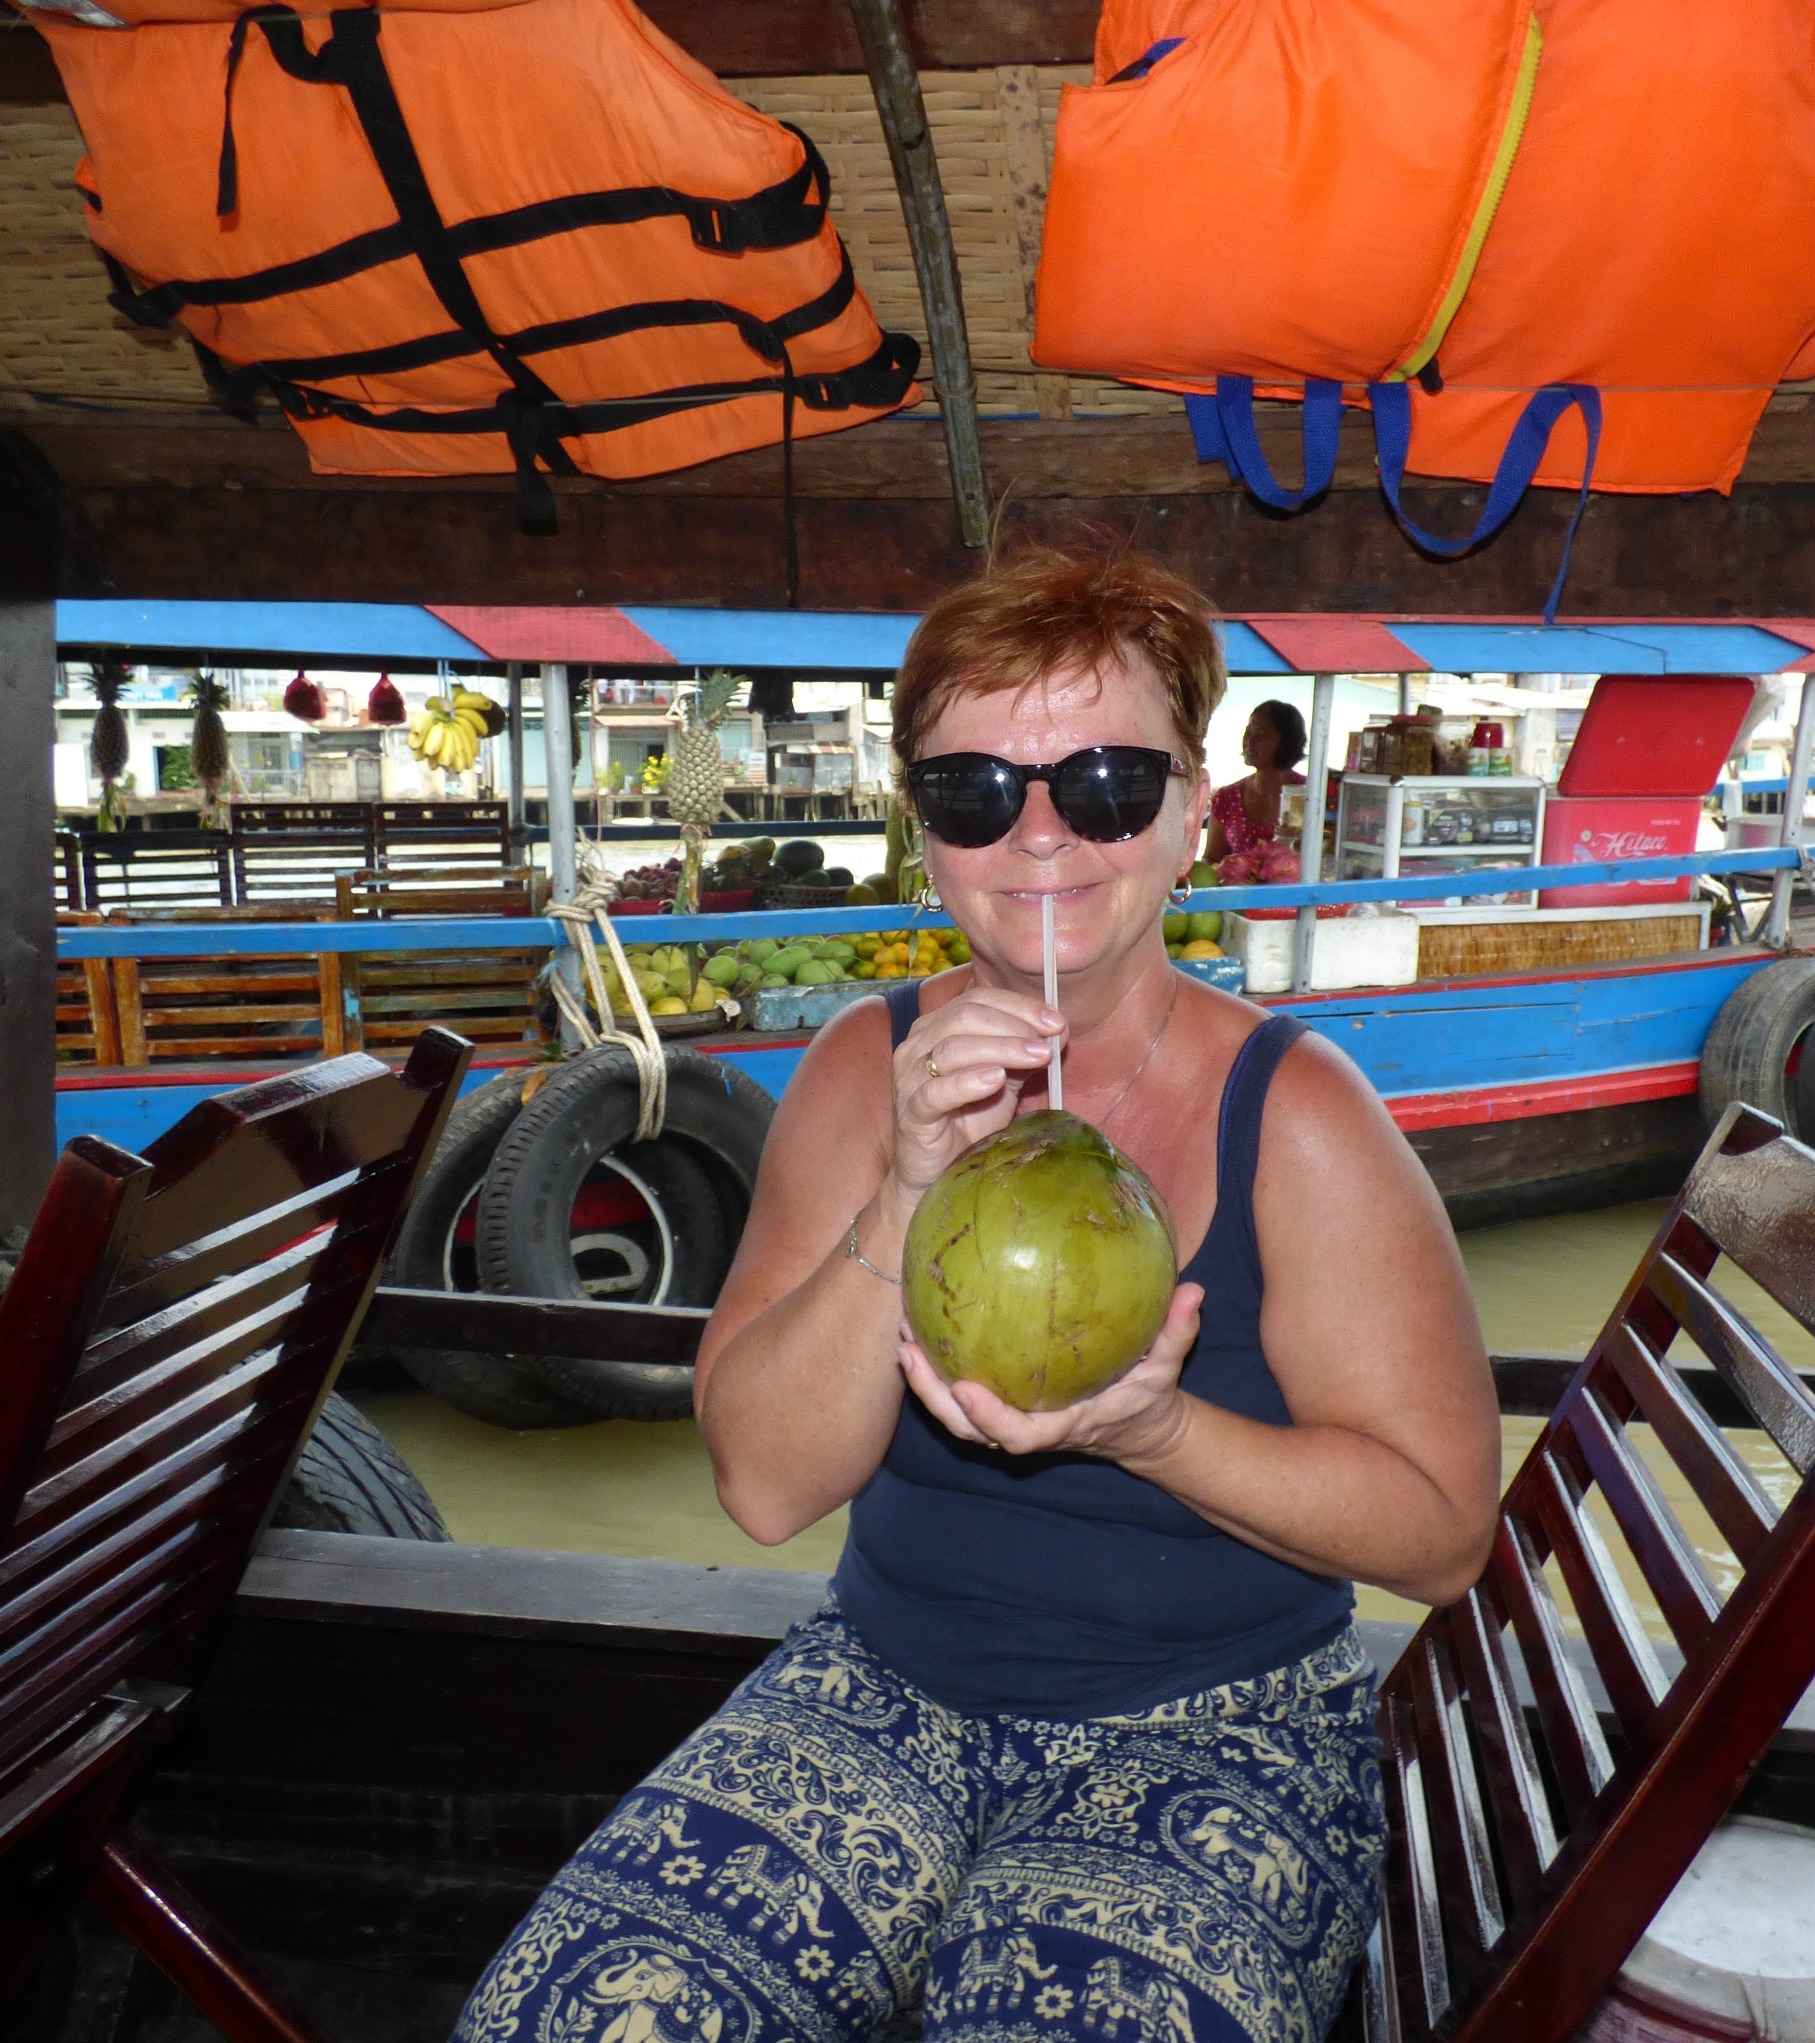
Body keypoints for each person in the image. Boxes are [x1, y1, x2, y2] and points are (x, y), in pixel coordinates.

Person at [453, 548, 1499, 2043]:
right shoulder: (855, 1072)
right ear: (921, 831)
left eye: (1106, 781)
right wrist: (898, 1185)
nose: (1042, 835)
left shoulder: (1301, 1117)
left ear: (1191, 809)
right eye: (971, 792)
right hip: (882, 1685)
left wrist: (1151, 1432)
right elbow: (762, 1483)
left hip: (1217, 1729)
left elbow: (1445, 1534)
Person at [1202, 699, 1309, 866]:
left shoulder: (1310, 794)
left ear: (1286, 742)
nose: (1249, 741)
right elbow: (1212, 860)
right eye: (1248, 732)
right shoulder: (1227, 798)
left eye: (1260, 735)